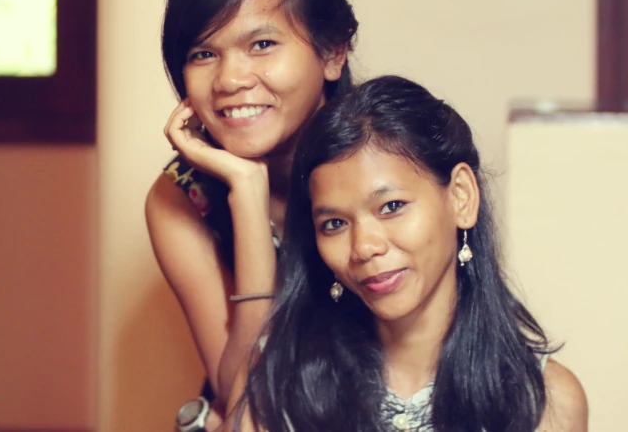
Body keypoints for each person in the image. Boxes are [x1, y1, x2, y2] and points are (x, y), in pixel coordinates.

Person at [229, 76, 588, 431]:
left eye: (392, 206)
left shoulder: (543, 400)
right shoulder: (279, 380)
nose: (364, 247)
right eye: (335, 224)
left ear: (461, 196)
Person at [144, 0, 358, 429]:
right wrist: (247, 192)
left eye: (261, 44)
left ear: (332, 52)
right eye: (203, 54)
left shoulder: (387, 166)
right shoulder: (181, 198)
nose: (231, 80)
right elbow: (242, 394)